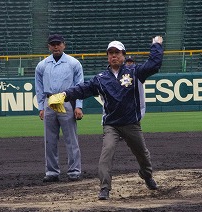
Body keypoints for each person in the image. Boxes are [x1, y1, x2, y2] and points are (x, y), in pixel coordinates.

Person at [50, 35, 163, 200]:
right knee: (106, 155)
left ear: (123, 55)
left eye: (117, 52)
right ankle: (104, 188)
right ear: (107, 56)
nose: (114, 56)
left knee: (142, 155)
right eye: (110, 53)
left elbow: (154, 64)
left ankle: (147, 176)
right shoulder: (101, 78)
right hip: (111, 125)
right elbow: (83, 89)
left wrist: (156, 45)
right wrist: (64, 94)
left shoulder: (135, 72)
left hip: (131, 123)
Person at [35, 34, 84, 183]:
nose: (56, 46)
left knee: (71, 140)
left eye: (58, 43)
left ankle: (74, 171)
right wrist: (40, 107)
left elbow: (80, 85)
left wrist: (79, 106)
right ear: (49, 46)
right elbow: (39, 87)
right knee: (49, 140)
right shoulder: (42, 65)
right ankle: (51, 172)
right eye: (53, 44)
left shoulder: (73, 63)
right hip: (49, 102)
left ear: (64, 45)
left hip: (67, 101)